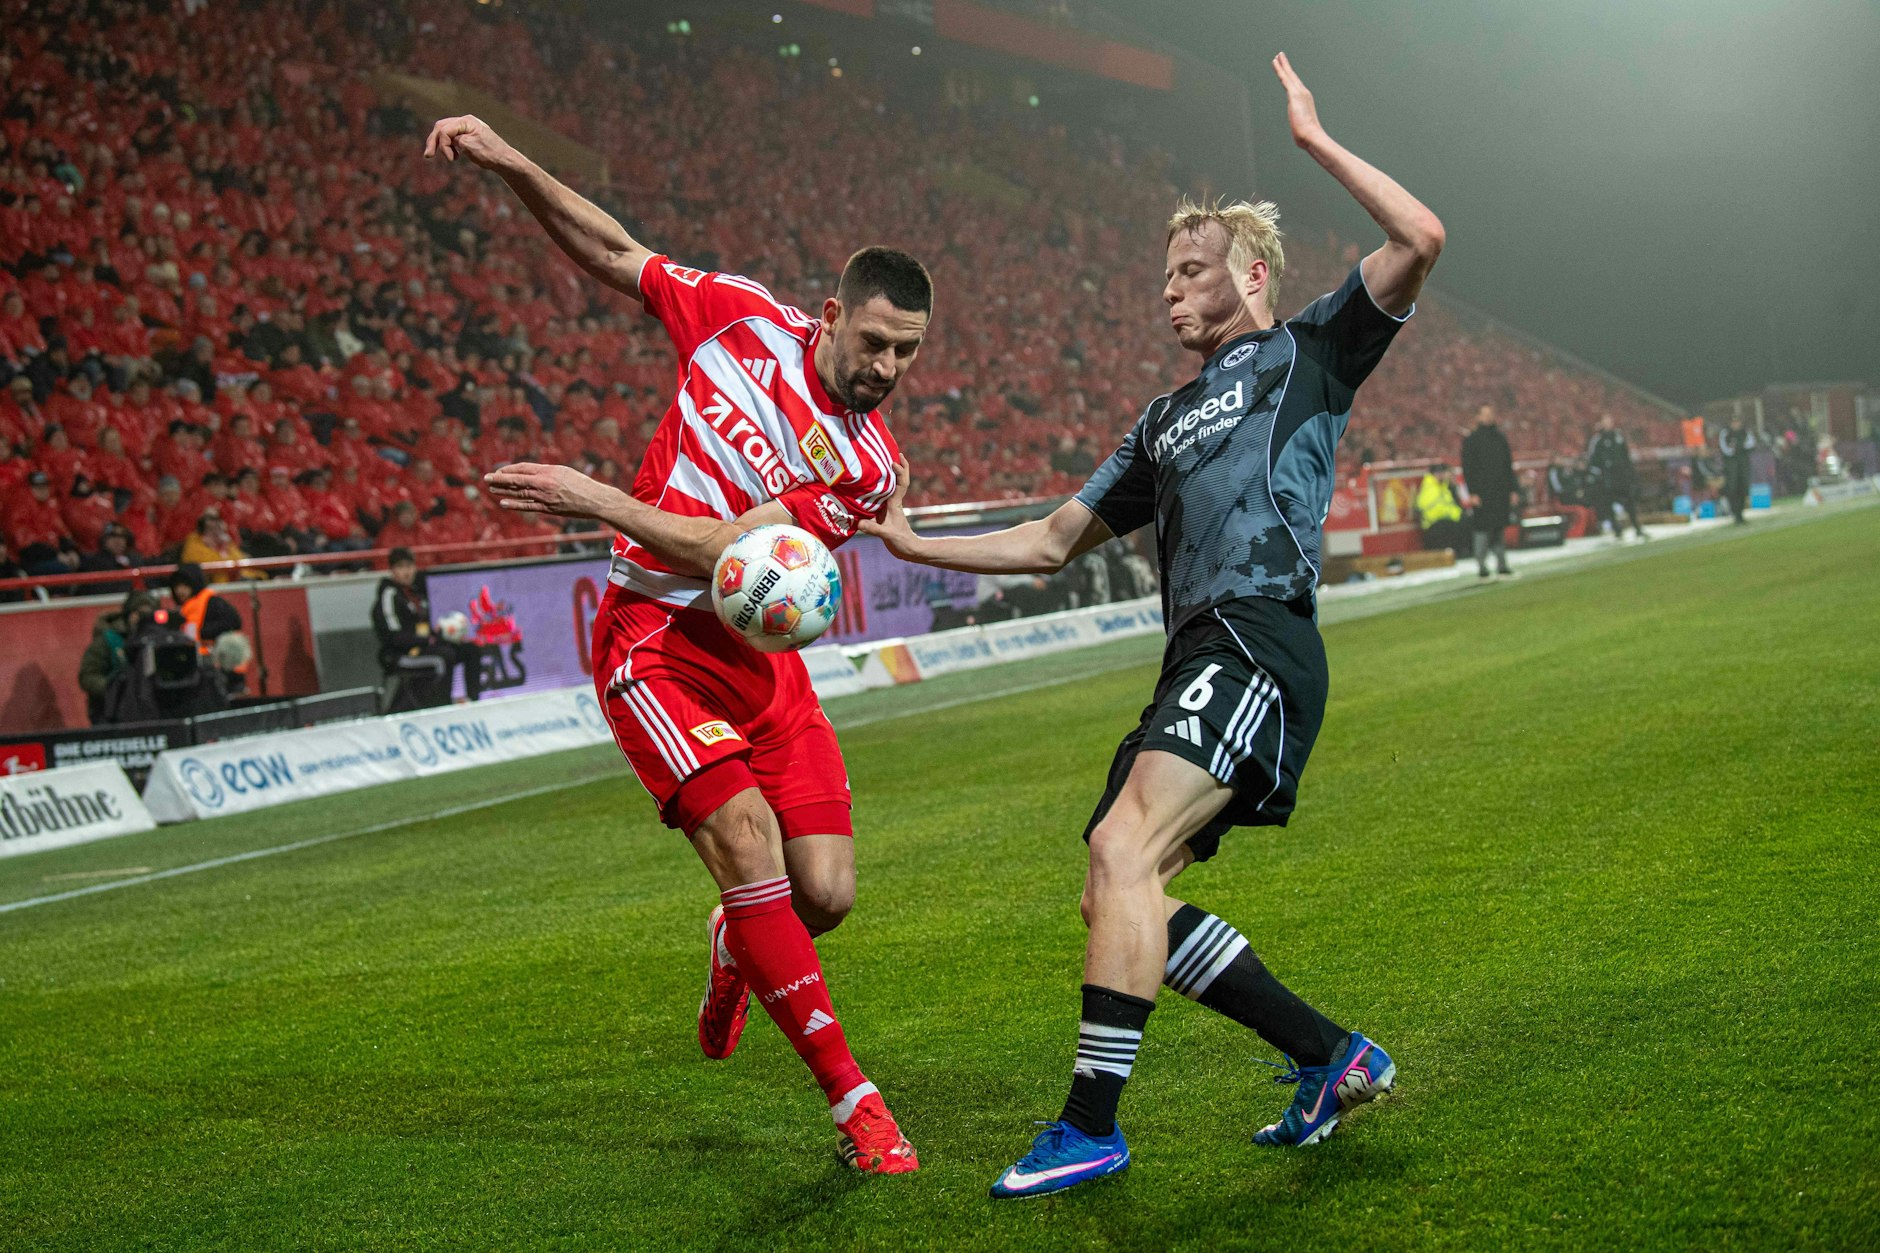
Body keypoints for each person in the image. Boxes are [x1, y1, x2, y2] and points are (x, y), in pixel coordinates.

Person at [866, 52, 1441, 1197]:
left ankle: (1088, 1123)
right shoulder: (1159, 418)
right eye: (1166, 274)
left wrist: (1312, 142)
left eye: (1191, 270)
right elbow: (1046, 541)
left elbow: (1419, 236)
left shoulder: (1307, 351)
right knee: (1114, 885)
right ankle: (1330, 1055)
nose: (1169, 290)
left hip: (1256, 635)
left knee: (1123, 851)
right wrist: (905, 538)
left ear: (1253, 273)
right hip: (1194, 657)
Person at [428, 112, 923, 1174]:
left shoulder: (868, 470)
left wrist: (589, 491)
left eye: (907, 353)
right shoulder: (740, 318)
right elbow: (614, 251)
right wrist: (512, 160)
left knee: (823, 894)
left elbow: (733, 548)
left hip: (760, 666)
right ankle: (857, 1105)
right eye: (874, 341)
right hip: (652, 642)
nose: (885, 367)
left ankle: (736, 938)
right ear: (829, 315)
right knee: (747, 846)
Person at [370, 547, 484, 710]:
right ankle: (441, 709)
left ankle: (473, 702)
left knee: (471, 649)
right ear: (392, 570)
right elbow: (394, 637)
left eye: (409, 567)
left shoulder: (417, 594)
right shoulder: (388, 595)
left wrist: (439, 634)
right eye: (401, 567)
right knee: (444, 657)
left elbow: (423, 627)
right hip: (400, 654)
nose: (406, 572)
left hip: (424, 646)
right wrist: (428, 640)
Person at [78, 590, 159, 723]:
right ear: (128, 614)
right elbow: (87, 676)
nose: (142, 619)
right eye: (138, 613)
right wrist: (115, 689)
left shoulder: (159, 640)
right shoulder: (108, 640)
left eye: (148, 614)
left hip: (151, 710)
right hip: (111, 711)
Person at [1460, 406, 1518, 578]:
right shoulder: (1471, 441)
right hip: (1482, 492)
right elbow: (1468, 469)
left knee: (1499, 528)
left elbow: (1508, 466)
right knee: (1482, 529)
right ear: (1478, 417)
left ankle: (1501, 563)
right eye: (1485, 414)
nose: (1489, 417)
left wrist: (1513, 489)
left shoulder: (1500, 438)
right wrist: (1472, 493)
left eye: (1491, 414)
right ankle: (1481, 565)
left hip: (1500, 491)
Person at [1585, 414, 1648, 541]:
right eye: (1605, 421)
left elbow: (1626, 456)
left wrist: (1630, 473)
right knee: (1608, 504)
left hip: (1621, 476)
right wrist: (1598, 475)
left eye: (1609, 421)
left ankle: (1637, 528)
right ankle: (1617, 530)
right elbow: (1592, 460)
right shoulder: (1597, 440)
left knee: (1629, 502)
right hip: (1607, 478)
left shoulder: (1618, 436)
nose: (1608, 423)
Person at [167, 562, 242, 657]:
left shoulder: (213, 602)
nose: (180, 591)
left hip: (215, 657)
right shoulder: (182, 610)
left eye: (185, 586)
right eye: (177, 586)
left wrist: (202, 632)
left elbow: (234, 622)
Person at [1415, 464, 1467, 553]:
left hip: (1445, 522)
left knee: (1466, 522)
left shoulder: (1443, 487)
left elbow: (1450, 506)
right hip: (1434, 525)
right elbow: (1435, 511)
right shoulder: (1430, 488)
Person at [1718, 417, 1756, 524]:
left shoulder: (1745, 432)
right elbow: (1726, 450)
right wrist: (1738, 449)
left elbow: (1751, 444)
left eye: (1738, 422)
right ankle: (1735, 513)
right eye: (1734, 422)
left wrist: (1739, 447)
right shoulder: (1725, 433)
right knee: (1732, 489)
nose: (1736, 424)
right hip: (1731, 467)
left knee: (1743, 489)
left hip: (1743, 465)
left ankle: (1740, 514)